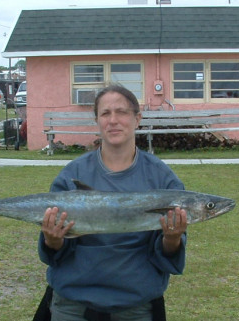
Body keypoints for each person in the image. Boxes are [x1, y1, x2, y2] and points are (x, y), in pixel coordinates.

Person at [37, 84, 187, 321]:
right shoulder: (71, 174)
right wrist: (52, 240)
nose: (113, 120)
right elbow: (54, 253)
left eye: (122, 112)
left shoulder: (162, 179)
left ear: (137, 119)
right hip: (72, 308)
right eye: (105, 113)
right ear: (96, 120)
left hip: (136, 309)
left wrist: (172, 238)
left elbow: (169, 255)